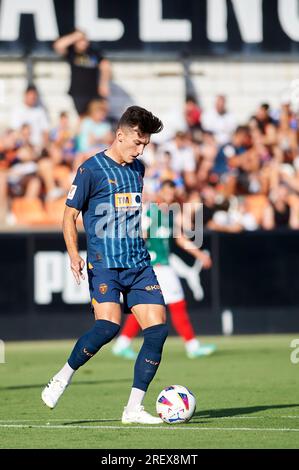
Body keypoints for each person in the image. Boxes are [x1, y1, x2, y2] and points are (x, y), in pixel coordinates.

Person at [41, 106, 168, 425]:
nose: (140, 150)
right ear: (120, 135)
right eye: (137, 143)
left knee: (157, 330)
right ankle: (63, 376)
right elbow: (69, 215)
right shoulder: (91, 170)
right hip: (105, 265)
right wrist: (74, 254)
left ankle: (133, 409)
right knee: (108, 326)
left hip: (138, 265)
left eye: (145, 145)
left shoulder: (138, 169)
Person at [112, 180, 216, 360]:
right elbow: (141, 236)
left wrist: (199, 255)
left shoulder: (168, 215)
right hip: (157, 265)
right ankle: (192, 346)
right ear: (160, 193)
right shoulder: (150, 212)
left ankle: (122, 343)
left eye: (171, 192)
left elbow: (180, 238)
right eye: (166, 192)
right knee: (177, 303)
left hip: (159, 266)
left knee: (146, 307)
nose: (169, 195)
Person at [53, 30, 111, 117]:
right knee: (83, 118)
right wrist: (75, 36)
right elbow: (58, 46)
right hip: (78, 93)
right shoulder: (72, 52)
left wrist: (104, 84)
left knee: (98, 116)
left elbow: (105, 65)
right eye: (81, 40)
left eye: (85, 40)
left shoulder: (93, 52)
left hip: (94, 92)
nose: (84, 43)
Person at [10, 84, 49, 148]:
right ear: (25, 95)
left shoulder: (40, 111)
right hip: (23, 146)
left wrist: (45, 145)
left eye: (34, 96)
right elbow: (14, 131)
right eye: (31, 96)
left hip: (39, 146)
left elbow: (45, 131)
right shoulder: (17, 110)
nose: (32, 98)